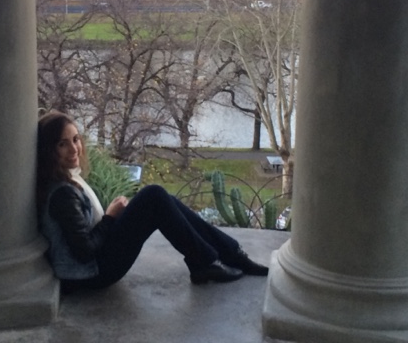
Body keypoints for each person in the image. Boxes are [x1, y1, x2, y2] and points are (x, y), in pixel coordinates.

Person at [37, 110, 268, 292]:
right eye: (62, 144)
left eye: (75, 139)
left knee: (162, 199)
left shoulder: (67, 179)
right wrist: (110, 217)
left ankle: (229, 254)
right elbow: (85, 252)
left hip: (96, 263)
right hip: (92, 273)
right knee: (154, 196)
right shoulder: (63, 194)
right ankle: (208, 262)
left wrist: (112, 217)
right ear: (49, 150)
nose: (74, 149)